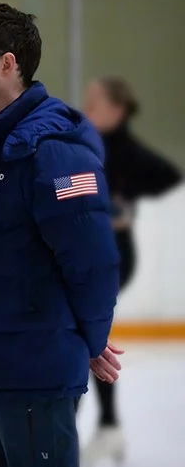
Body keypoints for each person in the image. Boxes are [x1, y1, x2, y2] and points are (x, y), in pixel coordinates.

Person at [0, 2, 125, 466]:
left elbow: (92, 260)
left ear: (8, 63)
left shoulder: (52, 149)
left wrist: (89, 337)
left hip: (33, 374)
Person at [79, 76, 181, 464]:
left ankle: (99, 426)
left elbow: (168, 176)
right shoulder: (88, 143)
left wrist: (124, 202)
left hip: (114, 255)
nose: (87, 109)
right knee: (82, 330)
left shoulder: (126, 153)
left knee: (82, 329)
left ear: (117, 111)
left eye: (95, 103)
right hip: (93, 254)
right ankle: (107, 426)